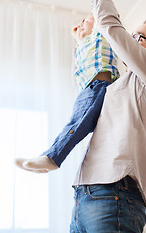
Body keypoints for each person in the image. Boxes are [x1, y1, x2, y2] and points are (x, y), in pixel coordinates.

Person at [19, 0, 146, 231]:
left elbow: (110, 27)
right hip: (85, 194)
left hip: (115, 193)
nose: (132, 40)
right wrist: (84, 41)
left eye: (139, 37)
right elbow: (88, 97)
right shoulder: (121, 85)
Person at [15, 14, 119, 173]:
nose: (82, 22)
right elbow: (84, 56)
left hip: (99, 87)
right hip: (88, 90)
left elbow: (105, 15)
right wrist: (79, 37)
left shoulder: (101, 34)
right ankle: (52, 157)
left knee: (75, 125)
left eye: (87, 19)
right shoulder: (85, 44)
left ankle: (52, 158)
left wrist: (96, 18)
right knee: (78, 125)